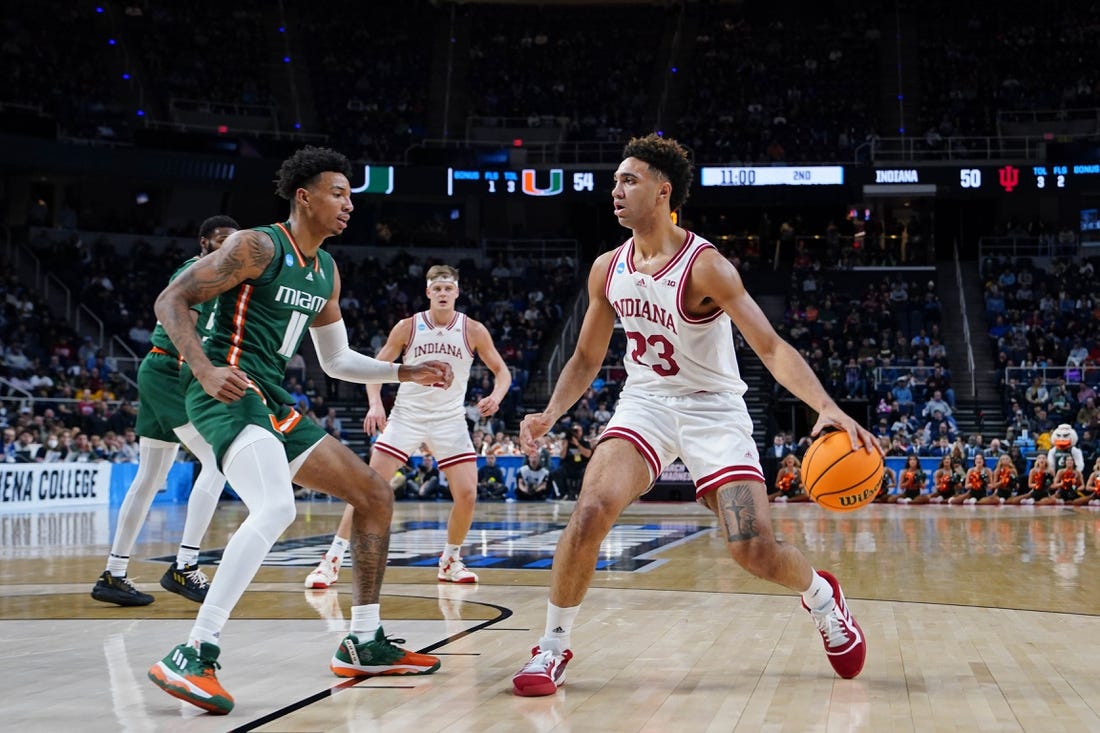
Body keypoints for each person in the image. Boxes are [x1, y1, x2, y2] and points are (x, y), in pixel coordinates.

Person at [512, 134, 878, 697]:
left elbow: (773, 346)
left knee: (751, 549)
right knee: (589, 512)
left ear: (662, 191)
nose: (615, 190)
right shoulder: (606, 269)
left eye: (628, 180)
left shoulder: (706, 267)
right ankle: (553, 647)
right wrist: (550, 413)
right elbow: (587, 356)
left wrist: (827, 407)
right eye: (614, 181)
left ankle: (823, 598)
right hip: (646, 405)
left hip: (714, 411)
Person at [146, 146, 452, 715]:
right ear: (304, 197)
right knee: (276, 508)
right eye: (339, 193)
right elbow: (173, 298)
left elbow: (335, 360)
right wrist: (206, 369)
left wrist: (401, 370)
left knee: (374, 493)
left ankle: (362, 639)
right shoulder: (257, 245)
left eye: (352, 197)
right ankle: (194, 650)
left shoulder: (326, 271)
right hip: (229, 389)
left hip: (273, 397)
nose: (349, 205)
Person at [303, 263, 511, 588]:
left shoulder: (473, 330)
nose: (443, 293)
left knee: (468, 494)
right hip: (407, 416)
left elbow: (502, 371)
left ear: (457, 292)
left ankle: (451, 560)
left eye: (448, 288)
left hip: (450, 419)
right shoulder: (408, 327)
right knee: (366, 489)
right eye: (437, 288)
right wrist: (375, 404)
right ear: (428, 292)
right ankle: (330, 561)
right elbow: (376, 367)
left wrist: (496, 396)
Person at [91, 215, 239, 608]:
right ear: (204, 241)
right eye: (221, 239)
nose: (227, 246)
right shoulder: (195, 269)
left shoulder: (224, 279)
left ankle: (114, 574)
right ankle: (185, 566)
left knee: (149, 478)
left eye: (233, 241)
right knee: (218, 460)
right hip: (171, 370)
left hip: (161, 369)